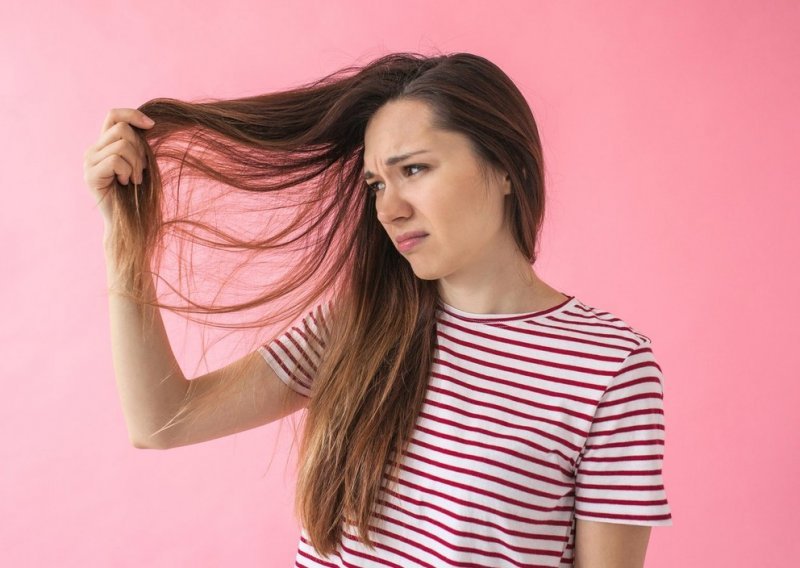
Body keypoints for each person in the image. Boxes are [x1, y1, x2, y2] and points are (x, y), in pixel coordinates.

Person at [83, 52, 672, 567]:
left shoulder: (609, 367)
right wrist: (124, 237)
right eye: (375, 185)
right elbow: (163, 420)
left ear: (506, 167)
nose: (388, 209)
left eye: (413, 170)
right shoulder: (358, 326)